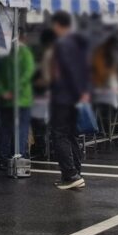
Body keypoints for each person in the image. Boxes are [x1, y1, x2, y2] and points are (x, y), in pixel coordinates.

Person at [49, 11, 90, 190]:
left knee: (60, 134)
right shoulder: (77, 42)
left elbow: (67, 71)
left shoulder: (62, 44)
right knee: (71, 134)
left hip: (63, 96)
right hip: (75, 97)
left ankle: (70, 174)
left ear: (58, 25)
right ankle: (76, 172)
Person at [0, 37, 35, 162]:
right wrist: (15, 90)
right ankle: (19, 157)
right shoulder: (25, 53)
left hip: (6, 100)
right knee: (21, 129)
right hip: (22, 99)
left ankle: (4, 158)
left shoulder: (2, 53)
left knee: (5, 129)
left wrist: (3, 92)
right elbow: (28, 73)